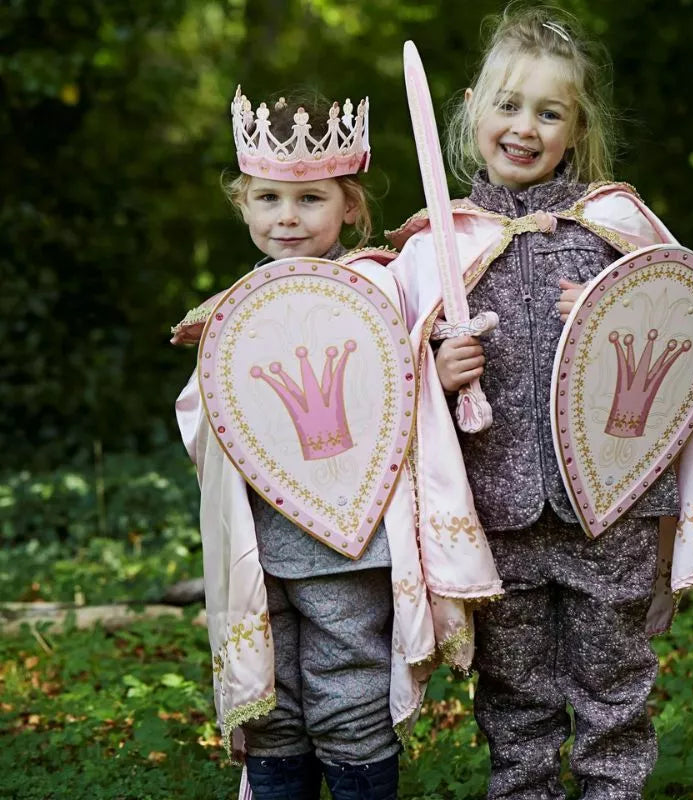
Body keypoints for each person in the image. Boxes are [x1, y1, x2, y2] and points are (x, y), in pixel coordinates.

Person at [386, 6, 693, 800]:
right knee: (513, 691)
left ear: (576, 127)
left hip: (606, 508)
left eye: (549, 112)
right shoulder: (434, 246)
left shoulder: (617, 229)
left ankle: (612, 789)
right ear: (473, 111)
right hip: (498, 509)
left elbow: (681, 328)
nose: (524, 127)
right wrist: (437, 371)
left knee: (614, 679)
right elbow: (394, 384)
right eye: (508, 106)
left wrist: (618, 307)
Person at [171, 87, 501, 800]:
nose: (286, 217)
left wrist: (434, 376)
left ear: (350, 205)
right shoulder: (234, 307)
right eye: (267, 200)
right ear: (242, 204)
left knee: (346, 695)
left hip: (349, 539)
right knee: (275, 705)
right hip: (262, 536)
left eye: (310, 200)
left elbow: (391, 383)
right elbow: (216, 416)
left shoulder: (377, 285)